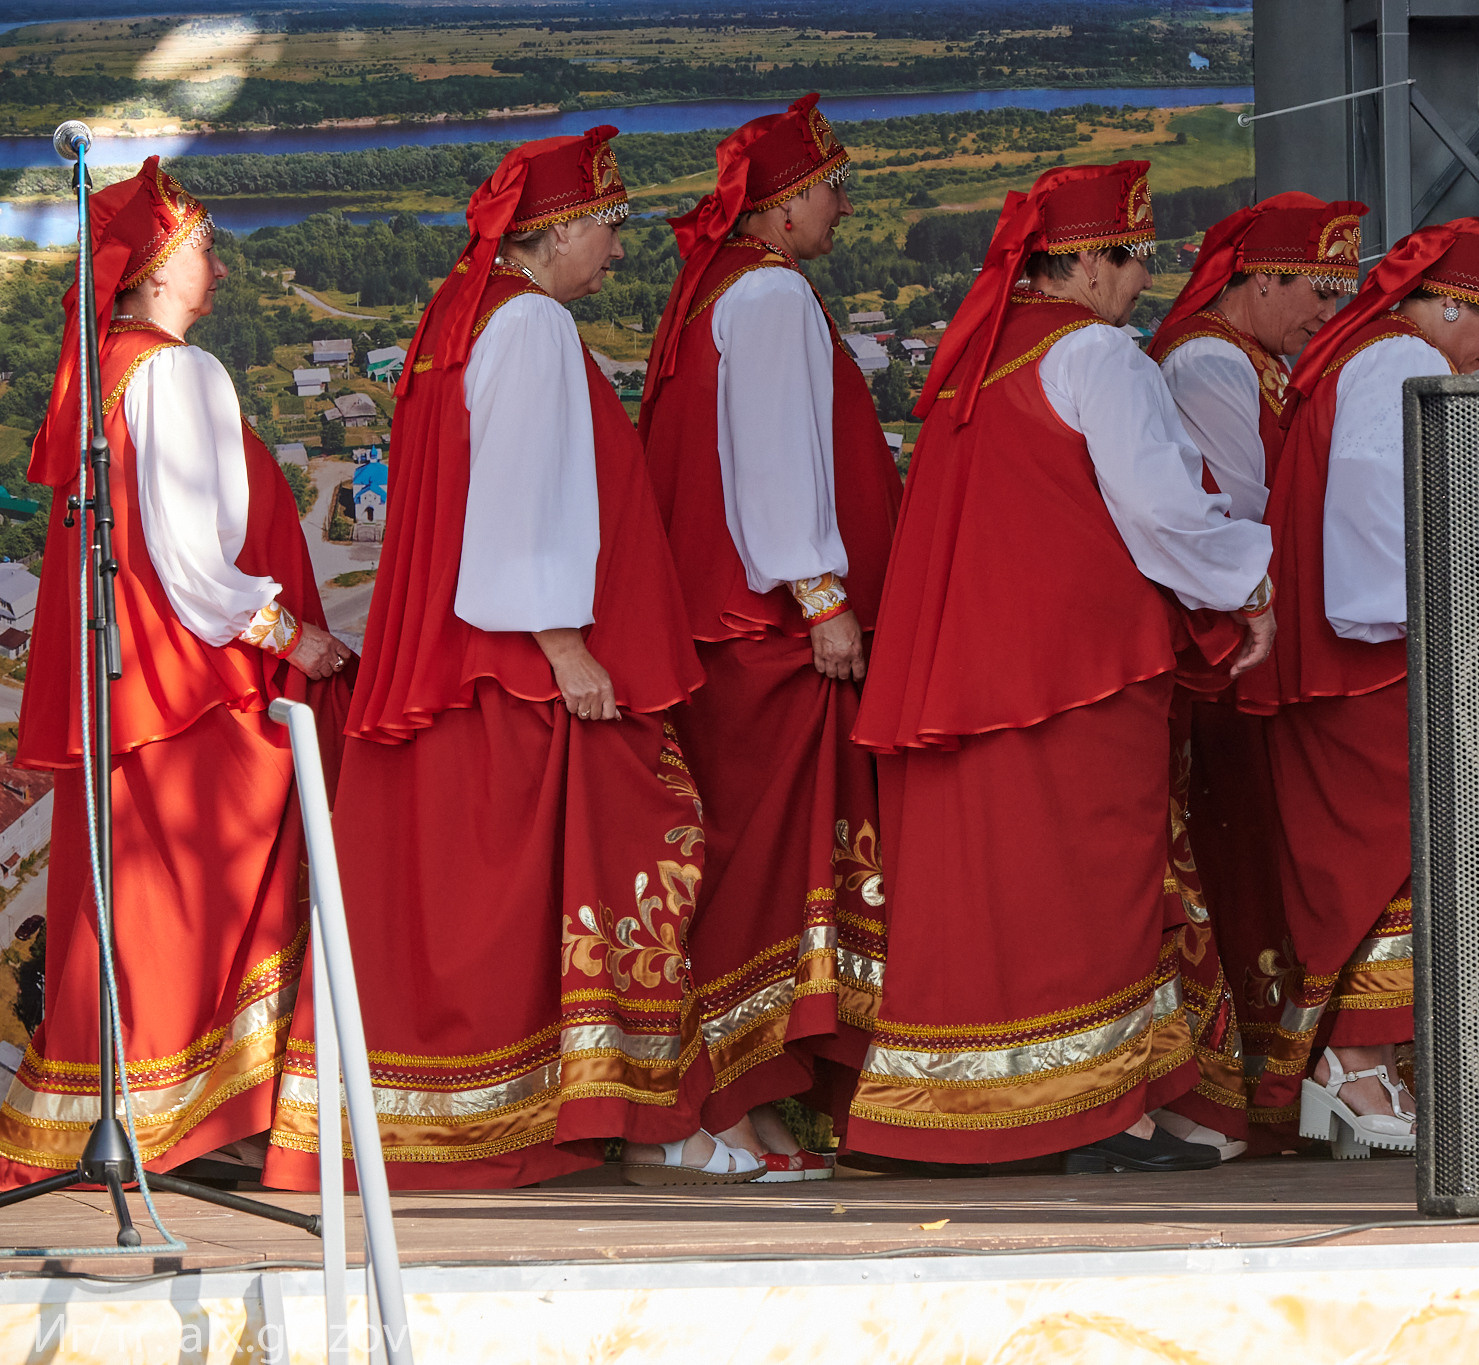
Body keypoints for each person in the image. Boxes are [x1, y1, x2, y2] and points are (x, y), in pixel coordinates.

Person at [262, 128, 756, 1189]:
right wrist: (564, 643)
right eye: (610, 227)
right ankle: (651, 1121)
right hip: (526, 664)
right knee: (640, 856)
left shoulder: (460, 310)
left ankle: (547, 1114)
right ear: (561, 228)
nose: (619, 252)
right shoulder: (529, 323)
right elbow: (520, 493)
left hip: (459, 655)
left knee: (488, 899)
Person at [845, 162, 1276, 1174]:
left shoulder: (975, 355)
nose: (1142, 284)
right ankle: (1100, 1118)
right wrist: (1245, 587)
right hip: (1076, 667)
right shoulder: (1098, 356)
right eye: (1134, 261)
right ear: (1086, 262)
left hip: (966, 667)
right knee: (1090, 884)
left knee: (986, 895)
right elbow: (1163, 509)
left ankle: (970, 1111)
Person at [0, 160, 352, 1186]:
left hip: (136, 686)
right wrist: (291, 634)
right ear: (152, 269)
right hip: (196, 683)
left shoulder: (108, 366)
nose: (219, 272)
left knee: (135, 903)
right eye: (202, 248)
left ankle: (137, 1119)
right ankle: (189, 1124)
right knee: (203, 897)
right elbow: (191, 555)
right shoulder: (178, 371)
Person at [1239, 217, 1479, 1157]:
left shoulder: (1373, 356)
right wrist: (1457, 621)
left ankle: (1364, 1061)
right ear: (1448, 301)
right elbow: (1379, 509)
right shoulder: (1389, 362)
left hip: (1374, 649)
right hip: (1374, 654)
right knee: (1384, 860)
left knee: (1387, 857)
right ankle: (1354, 1062)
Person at [638, 94, 901, 1179]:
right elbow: (776, 460)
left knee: (752, 863)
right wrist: (821, 592)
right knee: (760, 873)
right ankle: (708, 1112)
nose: (842, 207)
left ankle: (740, 1106)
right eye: (833, 187)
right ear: (788, 204)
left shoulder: (720, 289)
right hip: (767, 631)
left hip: (730, 623)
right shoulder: (774, 295)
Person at [1149, 194, 1360, 1147]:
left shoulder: (1257, 363)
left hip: (1255, 643)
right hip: (1233, 648)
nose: (1326, 311)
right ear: (1259, 280)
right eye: (1315, 291)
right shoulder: (1206, 362)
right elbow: (1234, 513)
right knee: (1233, 855)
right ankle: (1231, 1088)